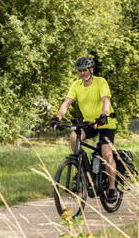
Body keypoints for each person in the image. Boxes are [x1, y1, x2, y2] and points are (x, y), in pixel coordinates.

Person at [50, 56, 119, 203]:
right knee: (74, 136)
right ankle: (81, 165)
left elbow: (106, 100)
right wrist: (57, 118)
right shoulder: (76, 85)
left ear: (91, 70)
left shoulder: (101, 82)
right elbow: (67, 103)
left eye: (84, 70)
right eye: (79, 71)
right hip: (89, 124)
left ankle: (112, 188)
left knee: (107, 154)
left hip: (105, 123)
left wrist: (104, 115)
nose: (81, 73)